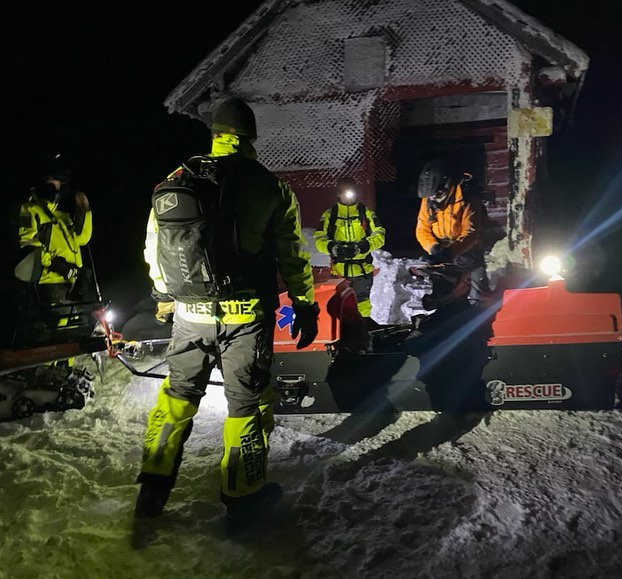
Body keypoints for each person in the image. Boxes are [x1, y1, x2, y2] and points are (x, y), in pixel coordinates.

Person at [135, 97, 319, 534]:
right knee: (246, 406)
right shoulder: (269, 187)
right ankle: (243, 500)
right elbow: (294, 255)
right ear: (250, 138)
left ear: (215, 134)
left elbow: (153, 248)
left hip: (188, 315)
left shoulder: (176, 179)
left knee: (177, 396)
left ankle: (152, 492)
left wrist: (164, 295)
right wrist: (305, 304)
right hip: (245, 315)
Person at [16, 156, 93, 304]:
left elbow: (82, 239)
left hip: (73, 282)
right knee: (62, 325)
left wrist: (84, 210)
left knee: (82, 324)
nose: (58, 185)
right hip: (50, 283)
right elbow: (27, 244)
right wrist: (56, 264)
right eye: (54, 180)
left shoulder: (61, 217)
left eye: (60, 181)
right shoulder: (31, 210)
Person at [415, 158, 490, 305]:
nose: (434, 198)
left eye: (437, 194)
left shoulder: (467, 197)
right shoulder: (429, 200)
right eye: (431, 196)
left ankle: (481, 315)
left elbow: (471, 233)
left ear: (447, 185)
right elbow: (422, 228)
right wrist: (433, 247)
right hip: (441, 251)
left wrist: (452, 252)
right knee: (442, 291)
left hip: (467, 250)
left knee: (478, 294)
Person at [314, 177, 386, 321]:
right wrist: (332, 248)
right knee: (340, 304)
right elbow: (319, 238)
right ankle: (341, 334)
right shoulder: (330, 215)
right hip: (340, 271)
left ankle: (365, 330)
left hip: (362, 270)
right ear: (338, 194)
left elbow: (380, 235)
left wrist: (364, 246)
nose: (347, 196)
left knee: (362, 305)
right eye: (344, 193)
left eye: (351, 192)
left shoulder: (365, 213)